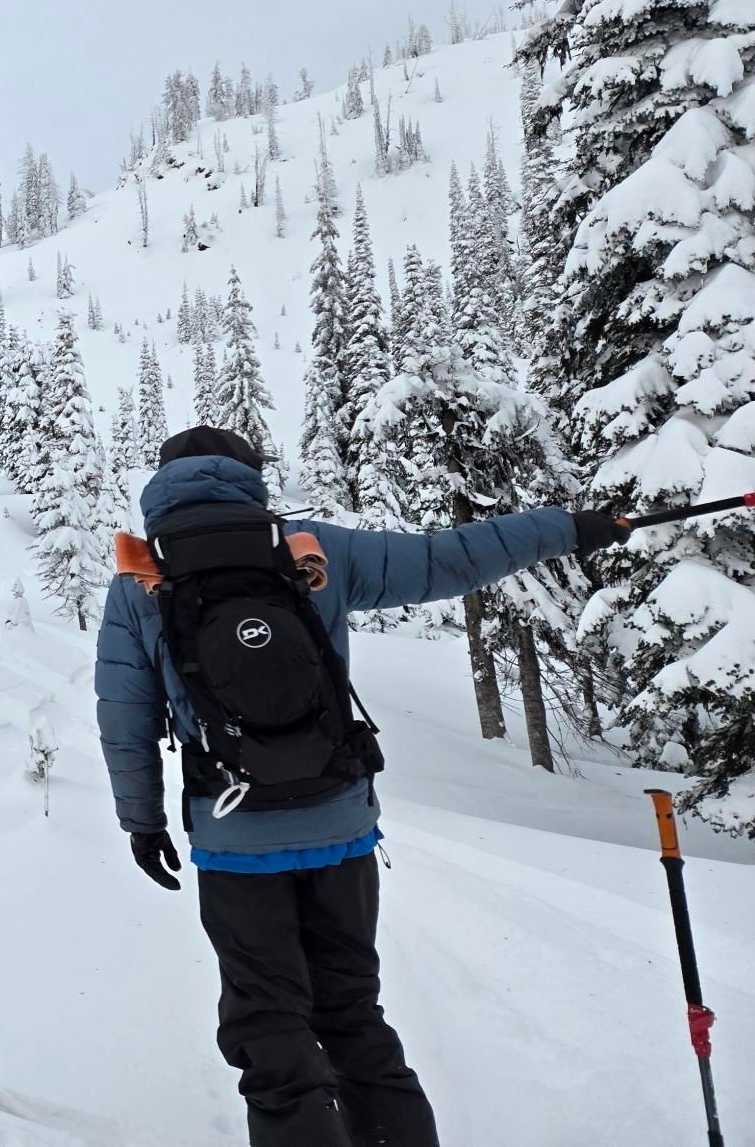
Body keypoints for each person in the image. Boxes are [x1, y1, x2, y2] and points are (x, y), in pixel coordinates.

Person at [94, 427, 629, 1147]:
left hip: (234, 837)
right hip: (339, 822)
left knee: (269, 1025)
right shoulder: (312, 549)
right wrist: (570, 528)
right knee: (351, 1012)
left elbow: (125, 718)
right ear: (250, 477)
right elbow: (448, 560)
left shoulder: (139, 581)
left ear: (162, 488)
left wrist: (142, 822)